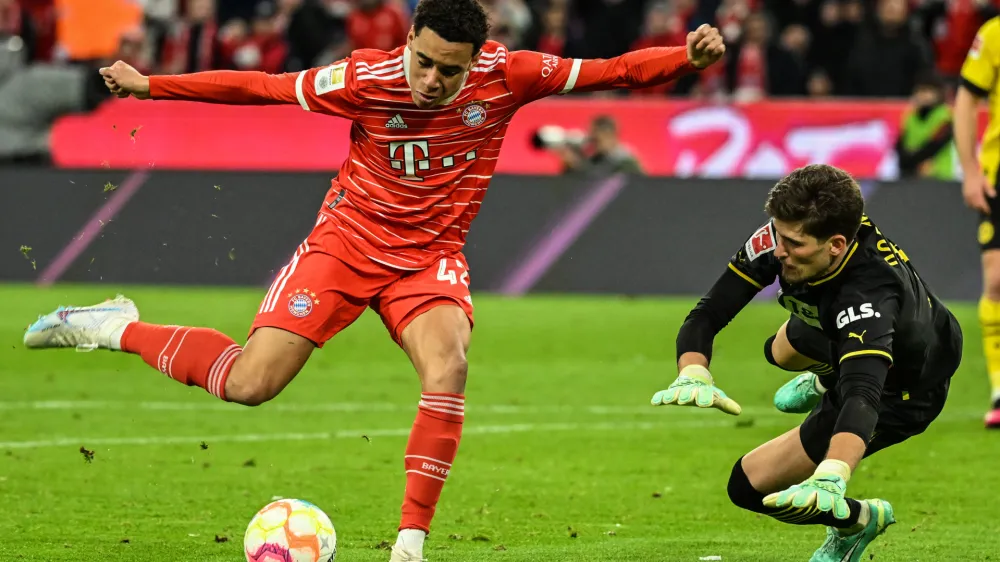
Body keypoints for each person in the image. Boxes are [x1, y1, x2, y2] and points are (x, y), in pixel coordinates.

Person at [21, 0, 726, 559]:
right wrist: (154, 86)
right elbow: (259, 87)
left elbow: (616, 71)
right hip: (346, 244)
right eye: (423, 61)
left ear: (475, 60)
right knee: (249, 384)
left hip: (429, 257)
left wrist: (684, 58)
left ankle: (410, 546)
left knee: (447, 366)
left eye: (448, 71)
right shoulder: (365, 77)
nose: (431, 80)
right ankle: (113, 324)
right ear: (409, 40)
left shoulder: (510, 76)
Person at [650, 164, 962, 562]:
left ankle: (859, 521)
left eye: (794, 244)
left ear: (834, 245)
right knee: (778, 350)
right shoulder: (787, 237)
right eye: (778, 233)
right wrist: (693, 369)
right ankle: (824, 374)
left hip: (904, 385)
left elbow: (863, 393)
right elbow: (709, 313)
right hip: (838, 334)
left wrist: (833, 474)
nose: (779, 251)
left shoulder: (868, 295)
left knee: (748, 487)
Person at [954, 15, 1000, 428]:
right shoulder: (994, 34)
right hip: (999, 174)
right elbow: (967, 98)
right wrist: (970, 170)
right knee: (998, 279)